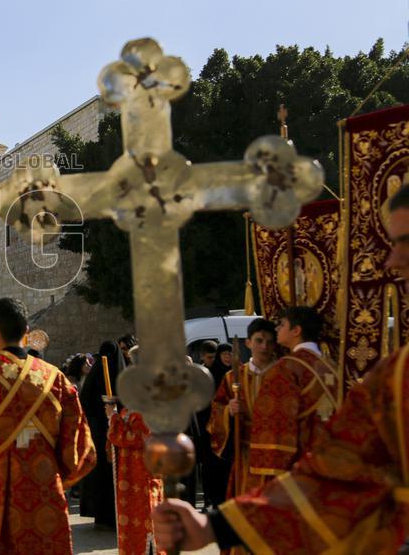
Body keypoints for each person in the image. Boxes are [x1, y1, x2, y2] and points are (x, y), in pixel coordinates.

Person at [152, 182, 409, 553]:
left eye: (404, 242)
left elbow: (279, 450)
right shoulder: (391, 374)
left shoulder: (287, 373)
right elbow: (336, 473)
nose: (393, 261)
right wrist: (217, 526)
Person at [0, 297, 96, 554]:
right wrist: (59, 476)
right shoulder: (55, 377)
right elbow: (78, 441)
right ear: (27, 332)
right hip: (47, 488)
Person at [247, 306, 338, 481]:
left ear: (296, 331)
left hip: (300, 467)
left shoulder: (286, 368)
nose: (277, 329)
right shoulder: (331, 366)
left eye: (281, 325)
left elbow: (275, 421)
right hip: (328, 459)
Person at [207, 318, 276, 504]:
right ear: (248, 342)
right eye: (259, 341)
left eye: (269, 342)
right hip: (246, 453)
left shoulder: (282, 373)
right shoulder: (232, 377)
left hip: (276, 455)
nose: (264, 347)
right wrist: (228, 410)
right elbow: (216, 410)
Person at [106, 346, 163, 555]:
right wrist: (115, 417)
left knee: (146, 518)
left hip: (143, 469)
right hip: (132, 469)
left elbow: (139, 436)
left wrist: (113, 419)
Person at [79, 339, 122, 527]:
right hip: (109, 429)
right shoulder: (120, 372)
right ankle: (109, 515)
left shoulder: (96, 372)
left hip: (102, 429)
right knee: (108, 472)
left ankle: (104, 515)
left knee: (106, 473)